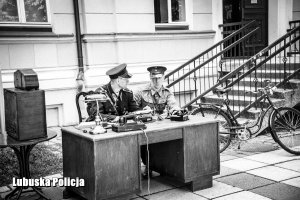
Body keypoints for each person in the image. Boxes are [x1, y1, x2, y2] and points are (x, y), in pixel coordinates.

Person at [134, 66, 180, 178]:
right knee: (145, 145)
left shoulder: (167, 91)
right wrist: (141, 112)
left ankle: (164, 167)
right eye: (154, 78)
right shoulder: (140, 91)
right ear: (150, 77)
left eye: (159, 78)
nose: (156, 80)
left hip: (161, 125)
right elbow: (131, 109)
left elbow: (173, 105)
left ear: (164, 77)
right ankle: (148, 166)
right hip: (145, 127)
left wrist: (177, 111)